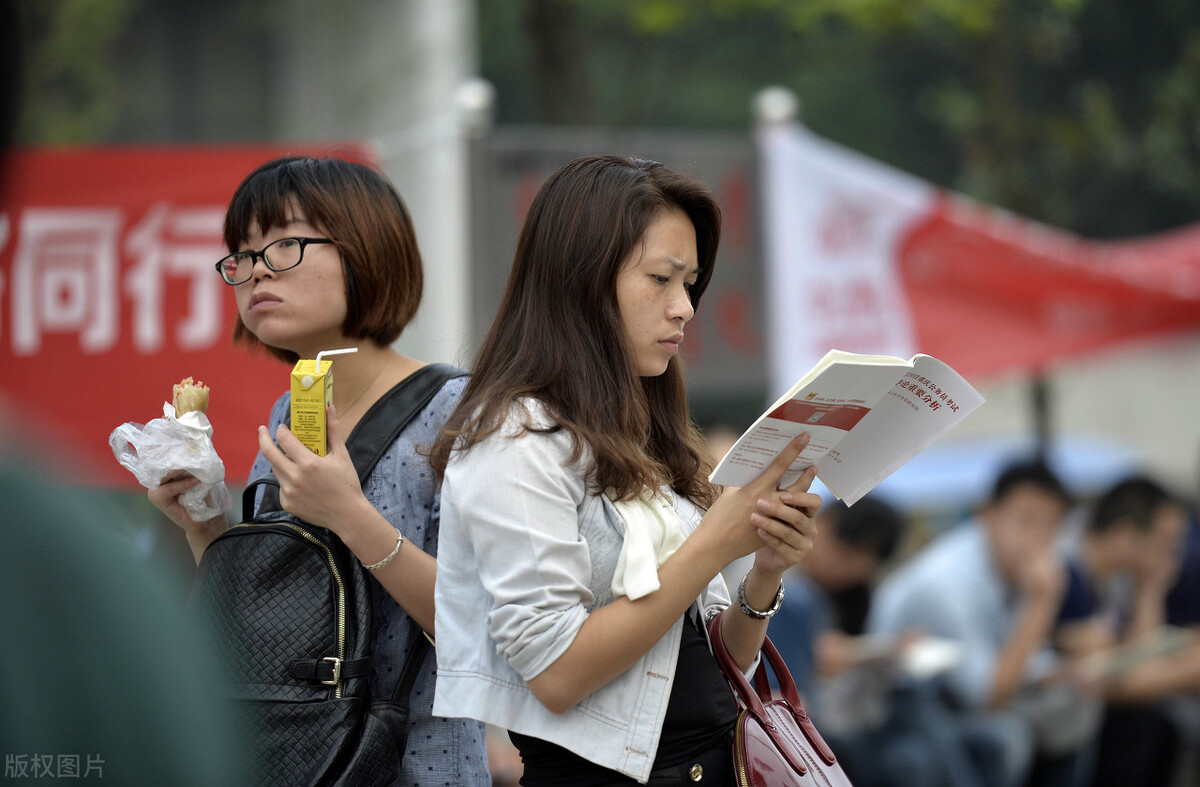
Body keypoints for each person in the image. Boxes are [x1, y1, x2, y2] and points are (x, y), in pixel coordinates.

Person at [429, 154, 822, 785]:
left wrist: (764, 576)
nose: (685, 307)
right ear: (580, 280)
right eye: (662, 279)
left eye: (690, 282)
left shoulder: (647, 429)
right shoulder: (515, 439)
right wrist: (713, 541)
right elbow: (555, 673)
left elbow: (722, 665)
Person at [147, 155, 490, 785]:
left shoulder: (463, 410)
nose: (255, 273)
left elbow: (488, 633)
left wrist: (350, 516)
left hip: (416, 764)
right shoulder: (290, 409)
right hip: (296, 760)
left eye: (284, 245)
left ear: (366, 250)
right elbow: (276, 619)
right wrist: (202, 523)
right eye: (243, 255)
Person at [867, 459, 1097, 787]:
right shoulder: (945, 583)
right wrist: (1041, 604)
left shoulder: (1012, 568)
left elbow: (1014, 657)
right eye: (1027, 521)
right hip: (899, 712)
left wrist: (1058, 670)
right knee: (1006, 736)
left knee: (1076, 702)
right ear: (987, 515)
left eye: (1052, 525)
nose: (1040, 539)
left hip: (960, 699)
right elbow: (987, 695)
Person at [1057, 475, 1196, 787]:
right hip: (1064, 703)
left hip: (1094, 699)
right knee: (1147, 723)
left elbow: (1142, 656)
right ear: (1124, 535)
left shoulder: (1120, 577)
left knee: (1164, 723)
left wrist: (1150, 590)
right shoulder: (1066, 567)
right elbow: (1119, 676)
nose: (1173, 554)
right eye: (1165, 541)